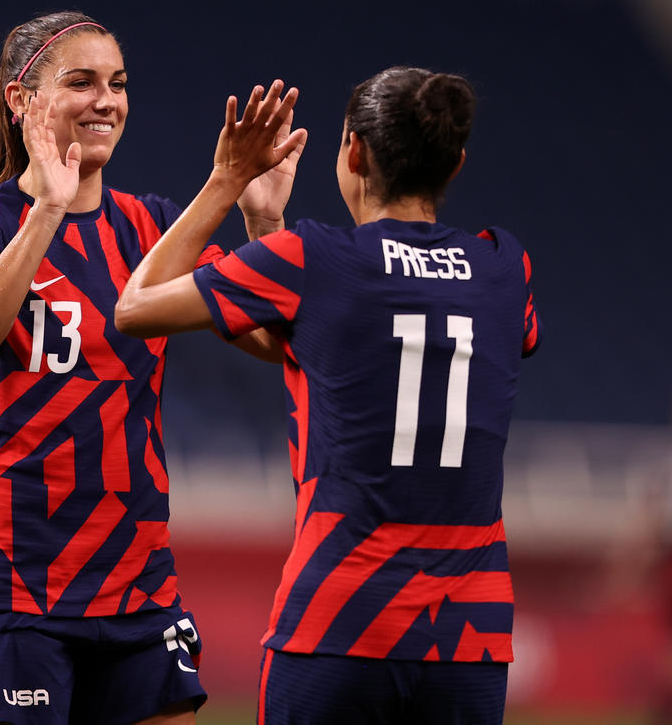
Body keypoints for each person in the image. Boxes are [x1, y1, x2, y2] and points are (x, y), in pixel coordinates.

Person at [115, 69, 542, 725]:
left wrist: (230, 182)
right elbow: (334, 344)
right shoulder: (504, 267)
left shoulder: (313, 257)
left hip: (341, 617)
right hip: (470, 633)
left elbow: (135, 308)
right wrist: (267, 222)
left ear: (354, 154)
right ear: (454, 163)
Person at [0, 11, 284, 725]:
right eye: (82, 82)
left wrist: (262, 226)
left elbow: (278, 346)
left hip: (137, 578)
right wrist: (47, 213)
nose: (107, 101)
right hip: (17, 581)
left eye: (118, 84)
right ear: (21, 101)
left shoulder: (153, 228)